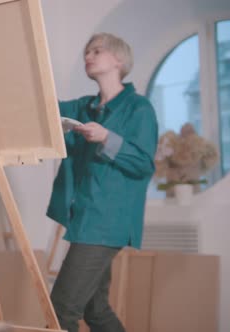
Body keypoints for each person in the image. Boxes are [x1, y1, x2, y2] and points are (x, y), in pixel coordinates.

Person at [46, 33, 159, 332]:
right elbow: (46, 107)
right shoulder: (84, 107)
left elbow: (144, 164)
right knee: (96, 310)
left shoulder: (139, 108)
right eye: (86, 52)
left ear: (119, 60)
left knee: (61, 310)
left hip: (107, 222)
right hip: (84, 217)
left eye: (97, 51)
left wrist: (107, 138)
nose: (89, 56)